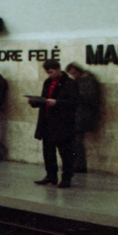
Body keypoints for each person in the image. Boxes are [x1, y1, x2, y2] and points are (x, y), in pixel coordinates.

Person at [30, 59, 79, 188]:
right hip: (47, 122)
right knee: (48, 151)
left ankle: (66, 178)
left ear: (58, 69)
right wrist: (35, 102)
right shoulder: (48, 82)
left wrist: (57, 102)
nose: (49, 75)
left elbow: (74, 102)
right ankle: (51, 176)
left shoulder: (70, 83)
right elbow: (45, 99)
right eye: (47, 72)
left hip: (62, 123)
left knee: (65, 152)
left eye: (51, 72)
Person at [66, 62, 100, 173]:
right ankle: (76, 163)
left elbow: (90, 97)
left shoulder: (88, 81)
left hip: (83, 114)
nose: (73, 76)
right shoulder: (78, 81)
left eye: (74, 73)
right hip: (77, 113)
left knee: (77, 141)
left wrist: (76, 95)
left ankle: (79, 165)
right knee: (75, 141)